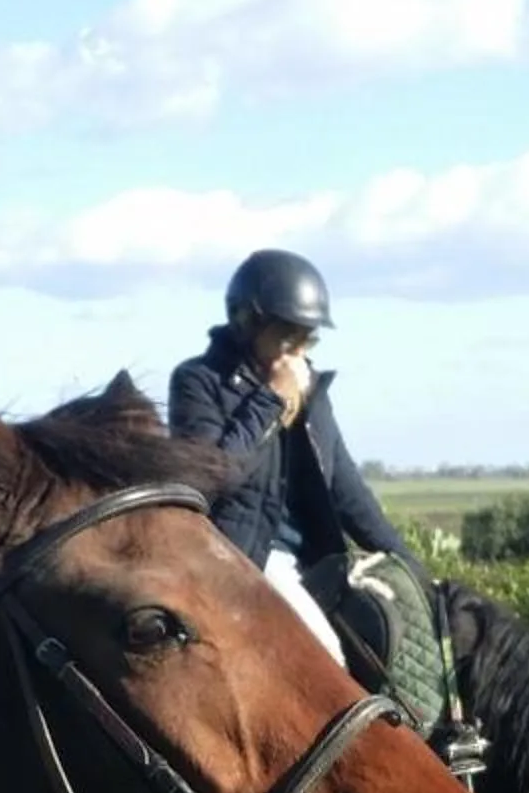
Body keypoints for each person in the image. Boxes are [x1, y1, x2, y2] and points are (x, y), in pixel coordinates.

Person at [169, 249, 429, 660]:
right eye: (288, 337)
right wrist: (269, 400)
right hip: (242, 560)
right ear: (247, 323)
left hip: (315, 562)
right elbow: (211, 477)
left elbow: (347, 490)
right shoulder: (197, 382)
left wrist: (410, 568)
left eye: (307, 338)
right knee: (326, 657)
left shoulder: (312, 394)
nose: (298, 353)